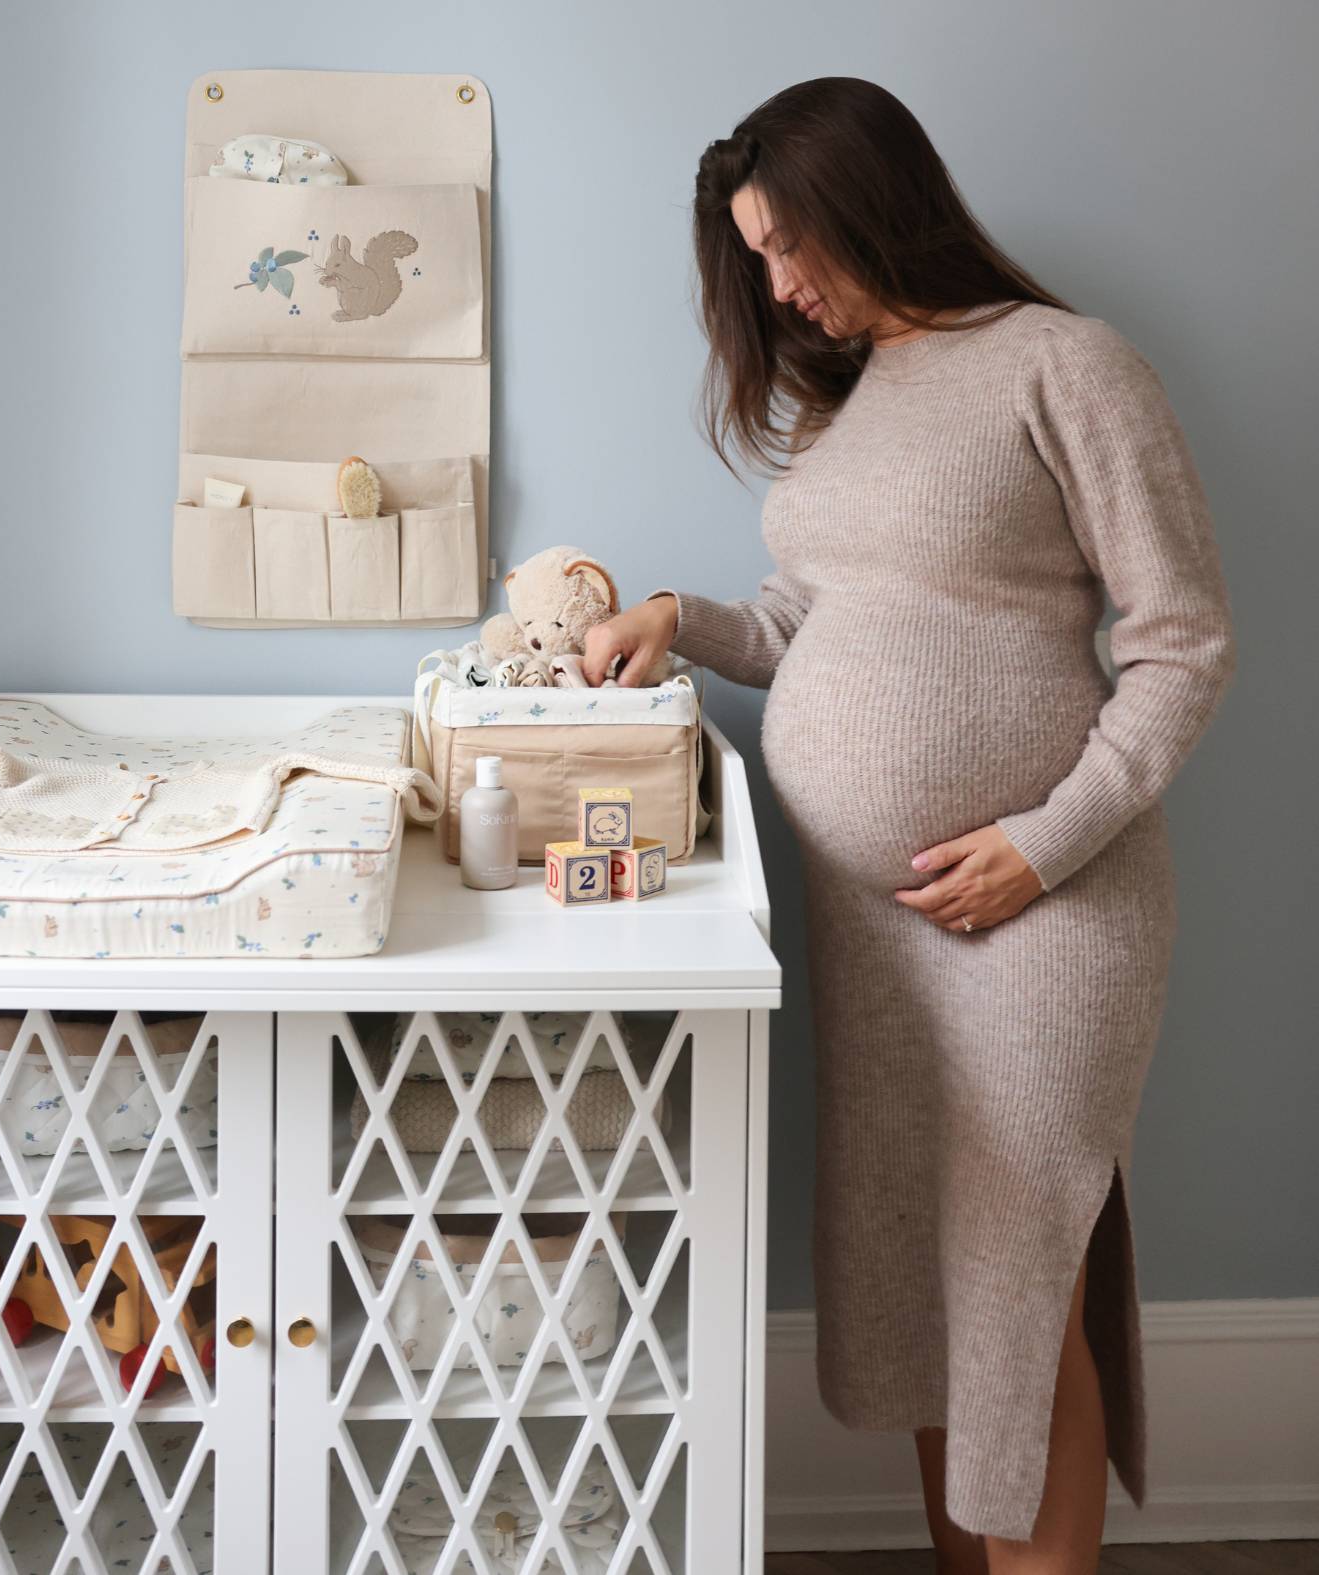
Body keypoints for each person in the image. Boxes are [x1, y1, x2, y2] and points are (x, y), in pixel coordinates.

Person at [582, 77, 1236, 1574]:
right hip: (878, 931)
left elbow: (1185, 641)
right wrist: (685, 621)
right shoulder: (855, 400)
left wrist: (1046, 843)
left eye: (791, 243)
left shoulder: (1064, 364)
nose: (782, 284)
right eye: (756, 259)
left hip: (1046, 911)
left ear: (880, 202)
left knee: (1019, 1281)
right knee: (926, 1293)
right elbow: (822, 620)